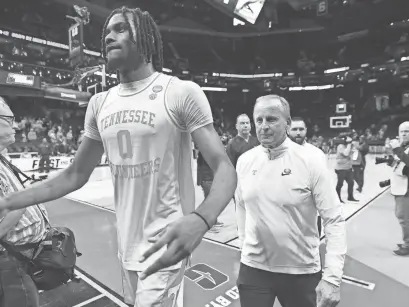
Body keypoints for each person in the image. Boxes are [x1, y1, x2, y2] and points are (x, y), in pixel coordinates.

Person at [0, 7, 237, 307]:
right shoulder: (100, 103)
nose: (109, 36)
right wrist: (11, 201)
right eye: (107, 32)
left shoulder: (180, 92)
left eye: (122, 28)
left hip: (168, 242)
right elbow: (74, 175)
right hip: (126, 246)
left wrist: (202, 219)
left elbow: (225, 168)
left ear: (148, 39)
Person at [235, 95, 346, 307]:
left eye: (271, 119)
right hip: (254, 270)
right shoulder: (245, 161)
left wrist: (332, 278)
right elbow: (241, 205)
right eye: (259, 120)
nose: (264, 126)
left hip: (301, 271)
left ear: (287, 123)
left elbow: (334, 219)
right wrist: (243, 244)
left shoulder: (311, 160)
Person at [0, 97, 49, 307]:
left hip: (19, 257)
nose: (15, 126)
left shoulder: (3, 157)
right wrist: (27, 196)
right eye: (8, 120)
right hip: (11, 259)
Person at [288, 117, 328, 236]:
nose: (298, 132)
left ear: (306, 130)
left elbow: (323, 185)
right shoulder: (277, 154)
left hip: (311, 214)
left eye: (301, 129)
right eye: (294, 129)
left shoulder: (317, 154)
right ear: (287, 130)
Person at [388, 122, 409, 256]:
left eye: (407, 131)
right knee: (402, 216)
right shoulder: (403, 148)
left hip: (405, 189)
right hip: (399, 187)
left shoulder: (401, 149)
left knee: (404, 217)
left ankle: (407, 245)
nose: (403, 134)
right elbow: (400, 167)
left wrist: (396, 150)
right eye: (401, 131)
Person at [334, 135, 358, 203]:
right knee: (340, 184)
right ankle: (337, 198)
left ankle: (350, 197)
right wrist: (349, 145)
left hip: (348, 168)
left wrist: (353, 148)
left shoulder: (349, 146)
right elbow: (346, 153)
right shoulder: (340, 146)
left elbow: (355, 155)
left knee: (351, 182)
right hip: (340, 168)